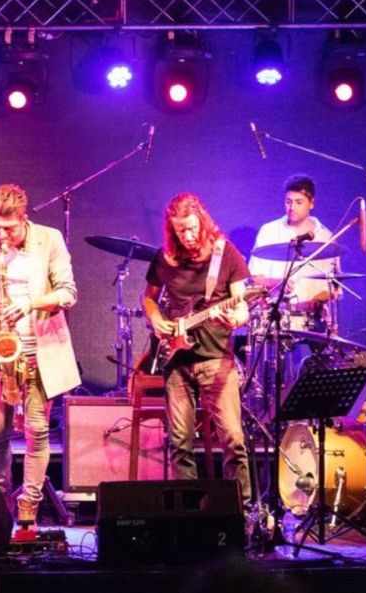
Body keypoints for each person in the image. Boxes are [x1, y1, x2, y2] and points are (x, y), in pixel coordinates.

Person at [0, 183, 79, 529]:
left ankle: (29, 504)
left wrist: (31, 302)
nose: (1, 235)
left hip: (40, 352)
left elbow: (68, 293)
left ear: (23, 217)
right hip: (1, 355)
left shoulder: (49, 239)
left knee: (37, 430)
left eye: (9, 228)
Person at [142, 193, 252, 506]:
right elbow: (148, 298)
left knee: (233, 440)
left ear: (202, 223)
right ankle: (187, 513)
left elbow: (242, 305)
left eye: (192, 228)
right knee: (180, 443)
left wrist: (236, 318)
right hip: (177, 360)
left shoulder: (224, 253)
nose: (188, 236)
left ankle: (241, 511)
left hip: (216, 358)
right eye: (181, 231)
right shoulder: (166, 259)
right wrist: (156, 320)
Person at [247, 174, 340, 328]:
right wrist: (276, 282)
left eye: (298, 202)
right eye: (288, 202)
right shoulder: (269, 231)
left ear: (312, 203)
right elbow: (253, 278)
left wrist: (318, 300)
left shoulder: (327, 238)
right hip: (274, 319)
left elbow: (335, 288)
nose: (292, 207)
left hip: (313, 322)